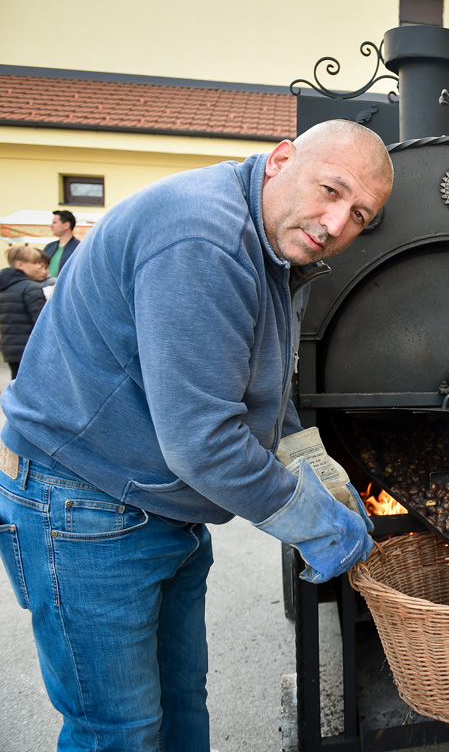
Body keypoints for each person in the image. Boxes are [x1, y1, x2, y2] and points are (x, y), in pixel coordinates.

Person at [0, 119, 393, 751]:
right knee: (118, 732)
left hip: (159, 504)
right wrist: (322, 527)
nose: (335, 221)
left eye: (359, 214)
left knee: (182, 707)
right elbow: (203, 441)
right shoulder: (204, 239)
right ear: (281, 159)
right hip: (83, 504)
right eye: (330, 189)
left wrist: (308, 459)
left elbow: (252, 382)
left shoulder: (273, 245)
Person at [0, 244, 50, 378]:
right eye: (35, 263)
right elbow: (41, 321)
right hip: (29, 349)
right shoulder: (30, 287)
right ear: (20, 264)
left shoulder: (5, 287)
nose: (39, 267)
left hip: (10, 348)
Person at [44, 209, 80, 278]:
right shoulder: (49, 247)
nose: (51, 225)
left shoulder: (78, 248)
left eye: (54, 222)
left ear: (66, 225)